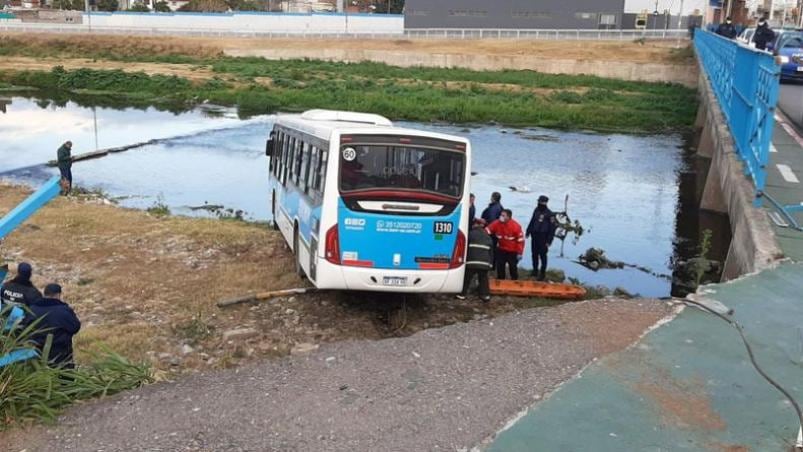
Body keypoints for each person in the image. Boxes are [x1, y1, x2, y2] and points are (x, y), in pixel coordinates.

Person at [25, 283, 81, 369]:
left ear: (44, 294)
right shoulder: (63, 310)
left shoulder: (32, 308)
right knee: (65, 379)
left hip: (36, 353)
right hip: (60, 355)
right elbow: (75, 327)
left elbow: (24, 326)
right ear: (58, 295)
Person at [457, 224, 493, 302]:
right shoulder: (488, 237)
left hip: (471, 262)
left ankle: (462, 294)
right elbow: (491, 252)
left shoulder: (470, 234)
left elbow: (464, 247)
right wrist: (490, 264)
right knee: (483, 279)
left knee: (467, 278)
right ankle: (485, 296)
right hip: (484, 263)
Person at [485, 209, 525, 280]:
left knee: (512, 266)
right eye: (501, 215)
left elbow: (520, 241)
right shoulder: (497, 223)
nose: (501, 217)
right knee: (500, 265)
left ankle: (514, 280)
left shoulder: (515, 226)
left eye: (503, 215)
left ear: (508, 217)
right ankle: (500, 279)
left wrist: (520, 253)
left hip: (512, 251)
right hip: (501, 249)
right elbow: (488, 230)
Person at [526, 195, 558, 281]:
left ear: (544, 203)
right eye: (539, 201)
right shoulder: (536, 210)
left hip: (543, 237)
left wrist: (549, 241)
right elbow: (532, 221)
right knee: (534, 254)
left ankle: (542, 273)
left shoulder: (550, 214)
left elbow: (552, 229)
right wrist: (528, 231)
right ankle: (535, 270)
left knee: (543, 255)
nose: (539, 203)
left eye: (540, 202)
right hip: (535, 235)